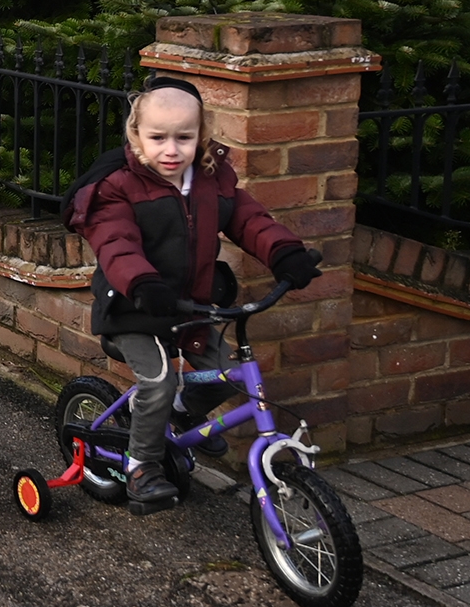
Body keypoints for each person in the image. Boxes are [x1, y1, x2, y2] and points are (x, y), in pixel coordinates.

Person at [65, 76, 323, 514]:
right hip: (135, 308)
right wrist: (143, 283)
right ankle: (142, 465)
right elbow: (115, 243)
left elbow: (247, 218)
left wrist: (283, 253)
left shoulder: (209, 179)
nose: (171, 149)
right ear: (136, 136)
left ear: (201, 137)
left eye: (184, 138)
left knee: (225, 370)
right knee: (159, 382)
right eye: (158, 137)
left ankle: (181, 414)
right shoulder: (117, 187)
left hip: (192, 306)